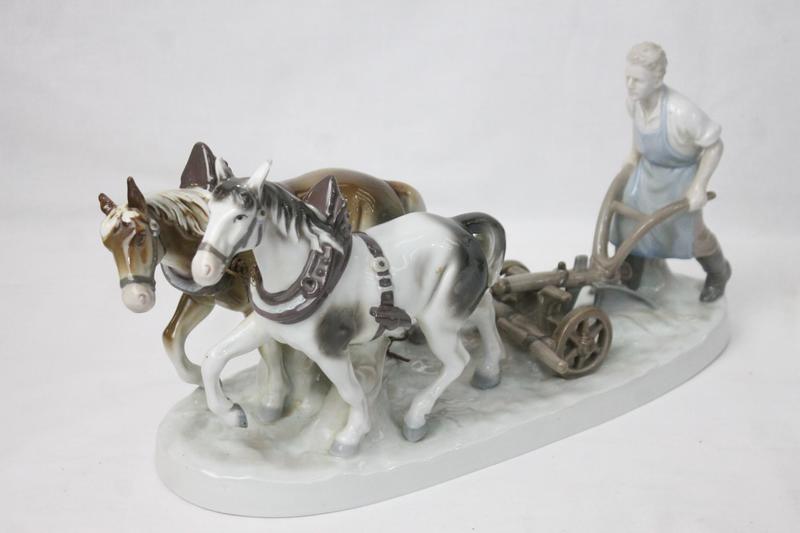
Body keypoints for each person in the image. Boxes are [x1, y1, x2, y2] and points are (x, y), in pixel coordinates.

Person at [612, 42, 731, 302]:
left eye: (637, 80)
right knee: (627, 221)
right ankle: (633, 271)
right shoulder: (634, 103)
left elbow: (714, 146)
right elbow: (639, 136)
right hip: (646, 174)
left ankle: (719, 272)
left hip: (679, 179)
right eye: (627, 78)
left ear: (657, 80)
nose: (630, 85)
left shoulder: (682, 112)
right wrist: (632, 158)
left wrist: (698, 186)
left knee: (688, 233)